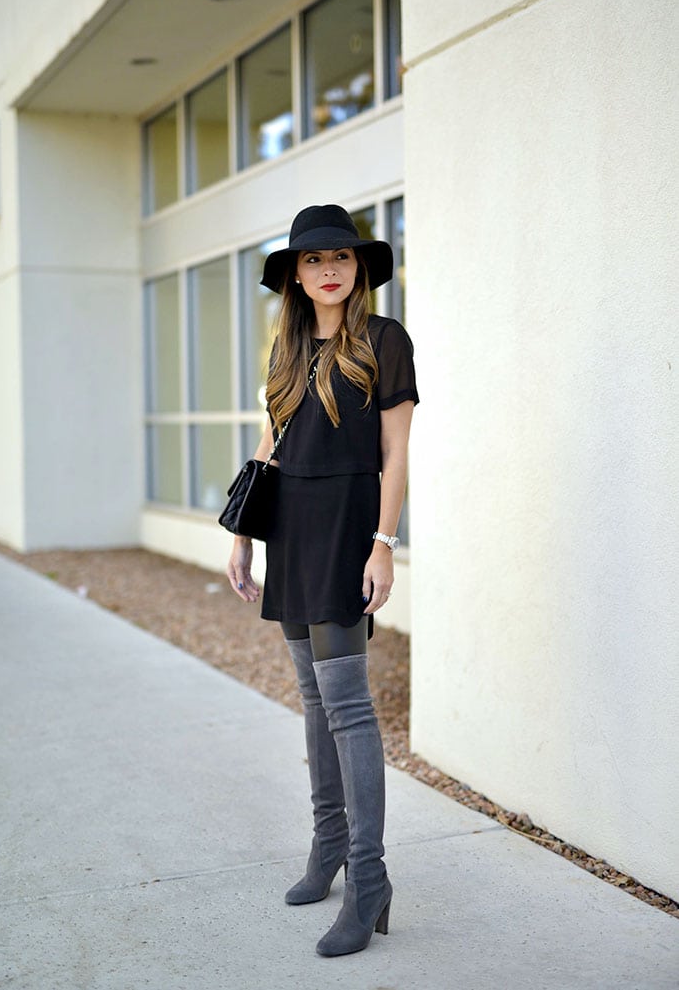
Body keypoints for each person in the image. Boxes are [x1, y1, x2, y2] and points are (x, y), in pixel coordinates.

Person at [226, 204, 418, 957]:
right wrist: (244, 533)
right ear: (296, 277)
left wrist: (383, 543)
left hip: (346, 529)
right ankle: (329, 844)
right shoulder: (288, 347)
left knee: (347, 705)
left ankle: (369, 875)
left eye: (339, 257)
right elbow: (272, 444)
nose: (328, 270)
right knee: (312, 695)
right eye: (312, 260)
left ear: (357, 267)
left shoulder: (383, 341)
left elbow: (396, 455)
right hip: (292, 530)